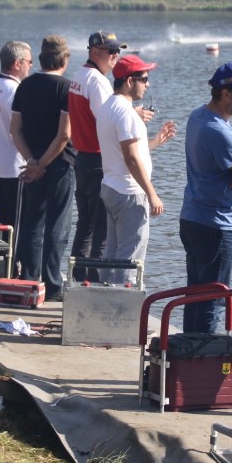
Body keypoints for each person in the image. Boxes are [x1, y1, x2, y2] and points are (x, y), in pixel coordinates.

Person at [181, 62, 232, 334]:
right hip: (216, 224)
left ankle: (188, 359)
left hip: (194, 217)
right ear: (226, 93)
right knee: (212, 300)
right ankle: (202, 364)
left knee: (195, 296)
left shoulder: (198, 116)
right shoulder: (219, 131)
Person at [68, 30, 152, 282]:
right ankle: (95, 285)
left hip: (83, 158)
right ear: (95, 52)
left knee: (86, 227)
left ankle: (79, 280)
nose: (116, 55)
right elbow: (109, 121)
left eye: (118, 51)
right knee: (101, 234)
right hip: (98, 161)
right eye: (111, 51)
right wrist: (133, 114)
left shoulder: (79, 75)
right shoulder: (97, 81)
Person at [95, 55, 177, 285]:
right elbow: (131, 159)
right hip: (130, 193)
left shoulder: (107, 107)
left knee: (112, 253)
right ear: (129, 81)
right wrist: (151, 193)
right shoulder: (127, 113)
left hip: (111, 187)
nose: (148, 84)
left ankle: (105, 298)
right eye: (144, 78)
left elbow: (125, 151)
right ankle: (124, 308)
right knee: (130, 258)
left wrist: (155, 142)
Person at [10, 36, 76, 301]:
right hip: (59, 165)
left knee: (32, 223)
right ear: (65, 60)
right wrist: (44, 163)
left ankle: (29, 278)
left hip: (33, 161)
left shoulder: (24, 86)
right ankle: (52, 284)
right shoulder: (67, 88)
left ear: (40, 59)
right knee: (57, 226)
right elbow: (64, 135)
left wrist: (32, 161)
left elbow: (15, 129)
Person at [0, 40, 30, 239]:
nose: (31, 66)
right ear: (17, 64)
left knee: (1, 221)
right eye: (29, 62)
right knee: (15, 225)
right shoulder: (15, 91)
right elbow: (21, 128)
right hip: (15, 166)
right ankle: (14, 266)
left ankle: (0, 260)